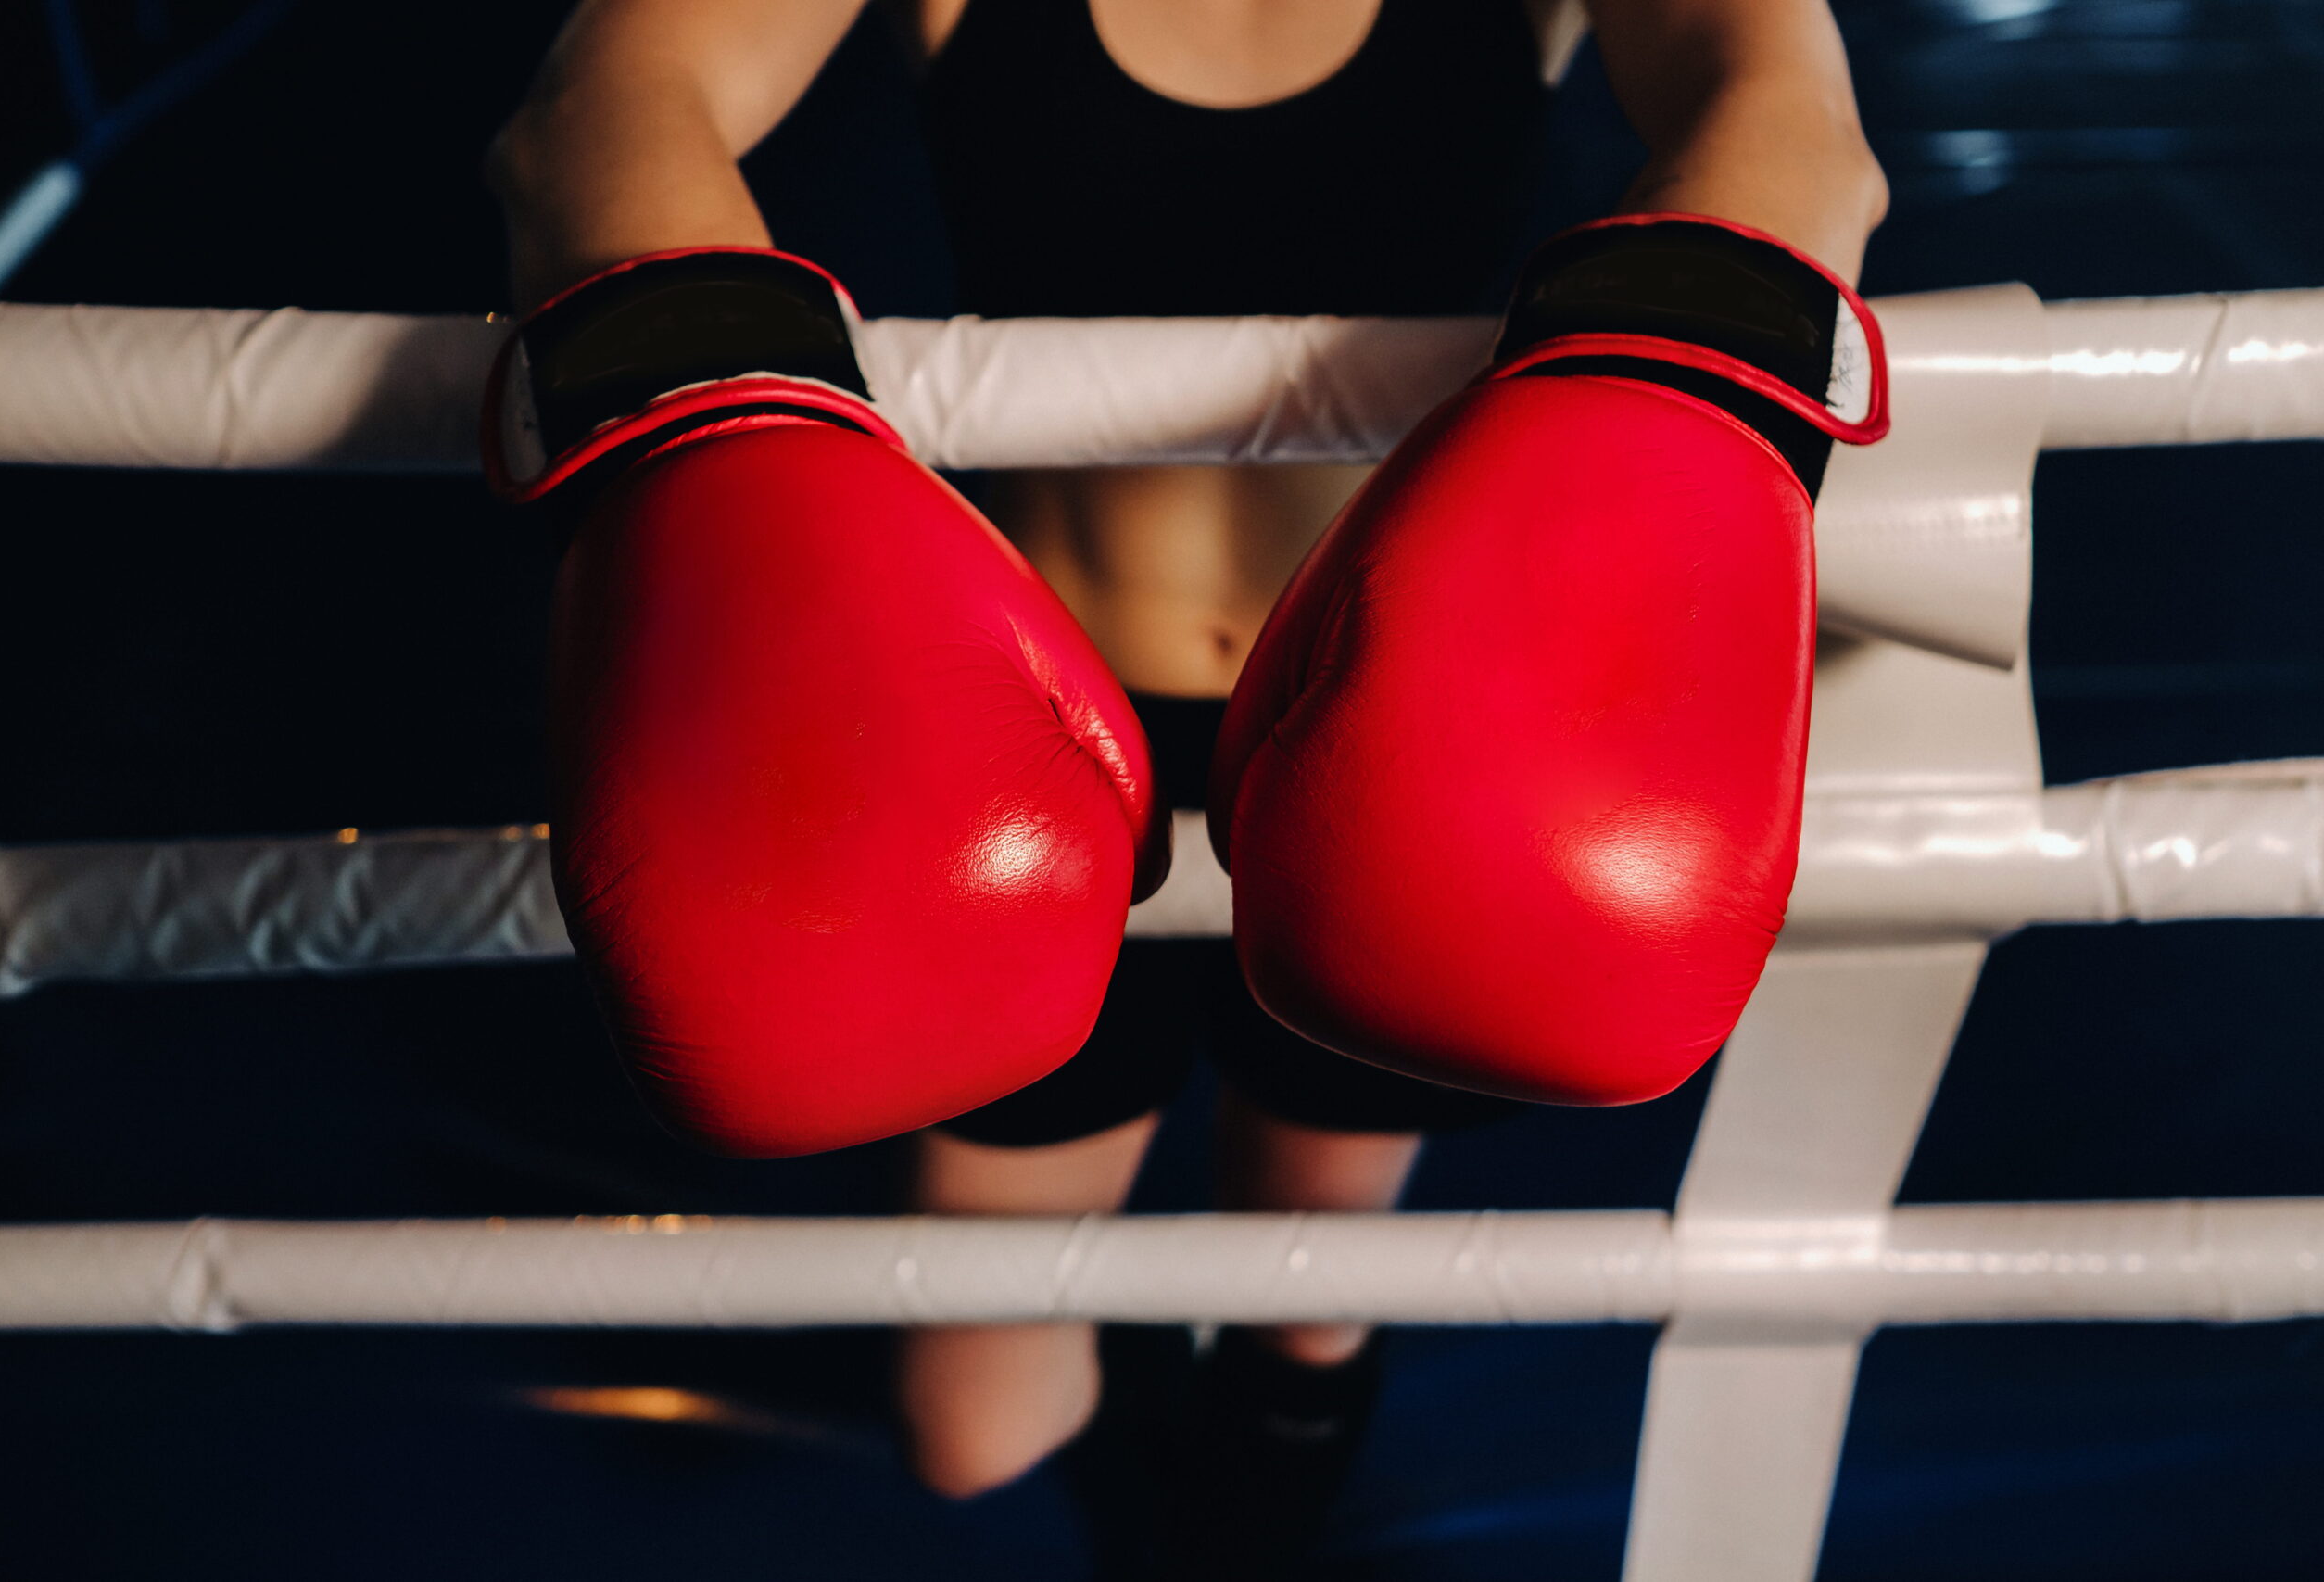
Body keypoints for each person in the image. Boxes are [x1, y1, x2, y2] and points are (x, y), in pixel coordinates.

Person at [483, 0, 1887, 1555]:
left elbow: (1789, 114)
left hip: (1422, 717)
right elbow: (607, 101)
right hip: (1017, 743)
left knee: (1306, 1307)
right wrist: (715, 419)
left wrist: (1676, 385)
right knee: (973, 1419)